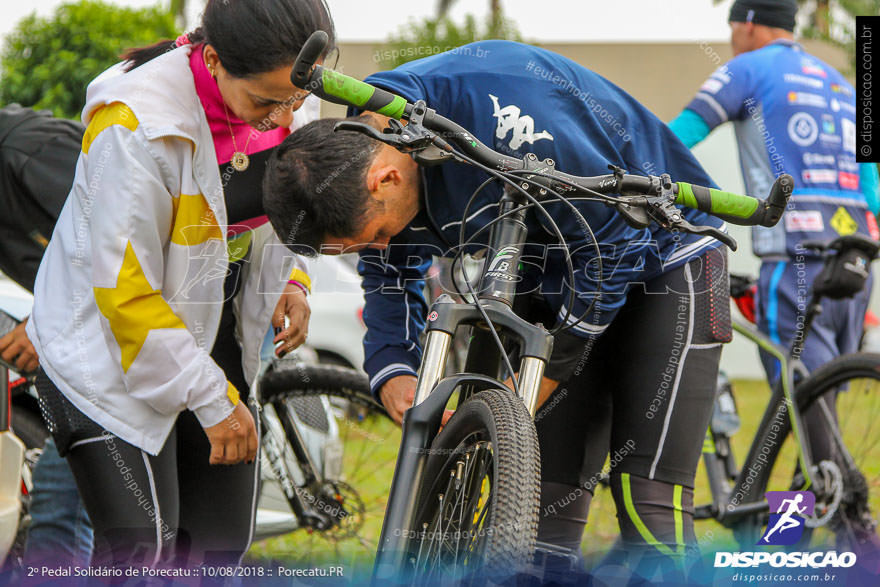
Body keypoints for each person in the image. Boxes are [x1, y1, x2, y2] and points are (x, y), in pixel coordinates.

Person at [264, 39, 733, 579]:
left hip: (663, 258)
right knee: (541, 515)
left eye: (373, 236)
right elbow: (389, 271)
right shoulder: (358, 150)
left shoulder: (509, 121)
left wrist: (549, 377)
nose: (376, 249)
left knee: (649, 505)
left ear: (386, 178)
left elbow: (615, 248)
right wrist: (392, 366)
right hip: (552, 264)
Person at [25, 0, 333, 570]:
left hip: (208, 338)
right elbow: (125, 296)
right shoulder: (134, 126)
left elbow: (290, 210)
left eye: (294, 99)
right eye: (265, 101)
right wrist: (212, 400)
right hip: (105, 353)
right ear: (212, 59)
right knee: (144, 554)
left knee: (216, 549)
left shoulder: (287, 93)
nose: (281, 115)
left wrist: (294, 278)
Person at [670, 0, 880, 553]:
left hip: (795, 257)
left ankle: (854, 533)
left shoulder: (749, 67)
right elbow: (874, 186)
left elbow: (674, 142)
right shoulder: (840, 82)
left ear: (746, 23)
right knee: (810, 405)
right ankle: (781, 537)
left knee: (807, 406)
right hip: (857, 259)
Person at [0, 104, 93, 568]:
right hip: (95, 337)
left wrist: (44, 325)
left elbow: (128, 246)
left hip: (160, 329)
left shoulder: (31, 151)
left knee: (62, 507)